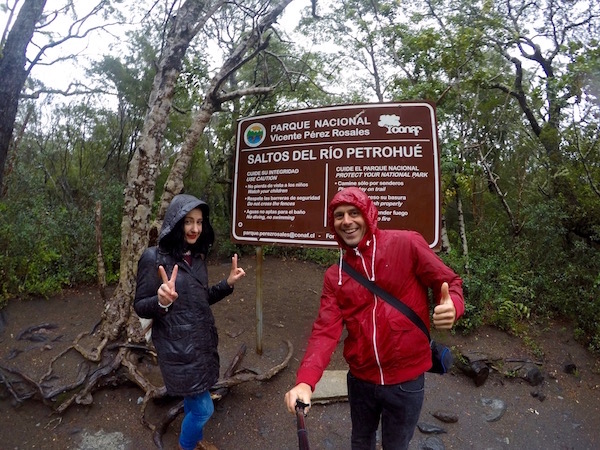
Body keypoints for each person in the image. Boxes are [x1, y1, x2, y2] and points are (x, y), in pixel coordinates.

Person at [284, 186, 464, 450]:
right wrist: (305, 381)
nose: (347, 221)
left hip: (406, 381)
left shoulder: (406, 244)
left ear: (368, 214)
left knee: (396, 445)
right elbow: (325, 331)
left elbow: (449, 282)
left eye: (353, 213)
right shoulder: (336, 276)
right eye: (339, 216)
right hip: (361, 381)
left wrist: (453, 305)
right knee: (361, 442)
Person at [134, 193, 245, 450]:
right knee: (204, 409)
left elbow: (201, 299)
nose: (195, 228)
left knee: (196, 402)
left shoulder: (196, 258)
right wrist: (161, 300)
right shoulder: (153, 258)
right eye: (188, 221)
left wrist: (227, 284)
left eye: (199, 222)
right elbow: (140, 305)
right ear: (175, 222)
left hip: (201, 345)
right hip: (177, 349)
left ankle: (194, 439)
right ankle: (187, 445)